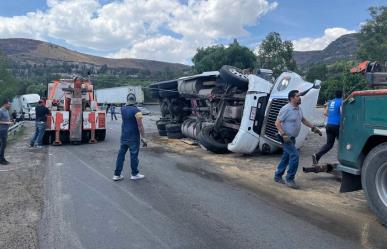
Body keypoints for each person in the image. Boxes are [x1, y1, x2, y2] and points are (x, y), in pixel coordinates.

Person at [274, 90, 322, 189]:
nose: (299, 98)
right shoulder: (286, 109)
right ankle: (289, 179)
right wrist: (284, 135)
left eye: (299, 96)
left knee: (286, 157)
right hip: (285, 137)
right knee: (295, 155)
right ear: (291, 98)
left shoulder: (298, 109)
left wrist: (314, 128)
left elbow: (303, 120)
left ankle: (278, 175)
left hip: (292, 138)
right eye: (297, 96)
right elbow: (277, 123)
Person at [113, 94, 145, 181]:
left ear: (127, 100)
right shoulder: (137, 111)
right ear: (134, 100)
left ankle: (116, 174)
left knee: (121, 155)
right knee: (134, 155)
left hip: (124, 136)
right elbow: (140, 126)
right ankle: (134, 174)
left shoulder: (122, 109)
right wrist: (143, 137)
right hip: (134, 137)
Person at [312, 90, 343, 164]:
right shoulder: (341, 102)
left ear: (335, 95)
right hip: (336, 126)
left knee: (329, 144)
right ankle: (343, 160)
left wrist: (332, 116)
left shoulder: (331, 102)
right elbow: (342, 113)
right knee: (343, 143)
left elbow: (325, 113)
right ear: (342, 95)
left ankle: (317, 155)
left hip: (329, 125)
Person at [0, 100, 13, 165]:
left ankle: (2, 158)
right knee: (3, 145)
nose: (10, 105)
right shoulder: (1, 111)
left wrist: (10, 121)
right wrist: (7, 122)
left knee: (3, 145)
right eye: (9, 104)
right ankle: (1, 159)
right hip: (1, 130)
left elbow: (5, 119)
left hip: (5, 130)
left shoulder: (6, 111)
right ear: (5, 104)